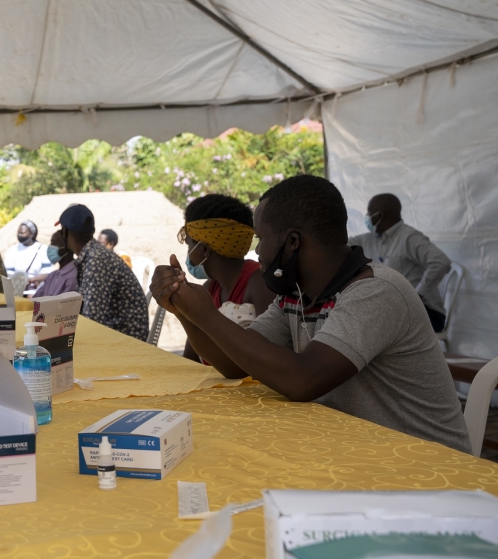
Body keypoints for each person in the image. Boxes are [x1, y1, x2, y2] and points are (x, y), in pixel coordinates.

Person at [151, 176, 470, 453]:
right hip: (360, 450)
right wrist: (185, 311)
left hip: (426, 465)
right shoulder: (296, 295)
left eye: (261, 239)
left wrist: (208, 315)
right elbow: (235, 365)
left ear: (292, 242)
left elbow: (303, 380)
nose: (257, 251)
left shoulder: (376, 291)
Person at [178, 194, 276, 362]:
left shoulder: (259, 285)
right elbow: (191, 359)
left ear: (204, 250)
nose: (188, 254)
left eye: (189, 245)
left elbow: (267, 359)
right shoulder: (209, 288)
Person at [348, 193, 452, 333]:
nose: (367, 218)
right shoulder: (372, 238)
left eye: (369, 214)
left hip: (426, 313)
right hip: (394, 309)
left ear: (380, 216)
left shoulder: (409, 237)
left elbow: (441, 262)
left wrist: (416, 296)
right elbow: (341, 246)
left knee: (367, 324)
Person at [60, 205, 150, 340]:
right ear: (93, 231)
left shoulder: (96, 259)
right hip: (118, 335)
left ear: (65, 232)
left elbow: (92, 320)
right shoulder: (94, 254)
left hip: (124, 340)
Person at [31, 230, 79, 298]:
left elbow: (66, 303)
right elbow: (35, 300)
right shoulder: (53, 276)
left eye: (53, 243)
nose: (50, 247)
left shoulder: (74, 275)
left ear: (67, 247)